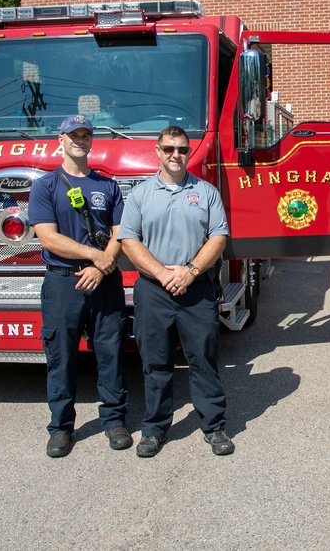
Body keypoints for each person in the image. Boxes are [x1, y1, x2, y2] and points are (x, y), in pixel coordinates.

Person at [118, 126, 233, 457]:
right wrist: (160, 272)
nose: (175, 155)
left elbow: (218, 238)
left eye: (182, 150)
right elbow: (129, 240)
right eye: (169, 149)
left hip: (196, 290)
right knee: (155, 362)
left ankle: (214, 426)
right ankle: (154, 429)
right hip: (153, 290)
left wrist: (191, 271)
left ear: (188, 152)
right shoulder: (140, 194)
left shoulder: (206, 192)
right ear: (157, 150)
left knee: (204, 359)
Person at [28, 114, 131, 458]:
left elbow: (120, 233)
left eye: (85, 135)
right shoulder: (45, 186)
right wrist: (95, 257)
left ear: (91, 141)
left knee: (111, 353)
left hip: (105, 283)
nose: (80, 140)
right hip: (63, 283)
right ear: (61, 140)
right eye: (74, 135)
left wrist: (102, 268)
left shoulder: (108, 186)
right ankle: (60, 428)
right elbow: (48, 237)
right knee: (61, 356)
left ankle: (114, 421)